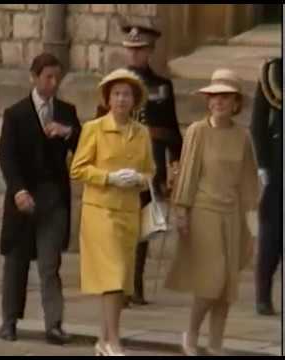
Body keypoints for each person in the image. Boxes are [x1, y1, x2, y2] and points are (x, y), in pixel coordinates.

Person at [164, 69, 259, 356]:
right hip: (203, 212)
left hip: (232, 215)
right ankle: (191, 333)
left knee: (227, 285)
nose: (218, 101)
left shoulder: (242, 137)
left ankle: (216, 343)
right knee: (210, 281)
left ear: (235, 102)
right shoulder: (197, 131)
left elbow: (249, 184)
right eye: (214, 96)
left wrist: (253, 228)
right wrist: (181, 210)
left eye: (225, 96)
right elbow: (189, 173)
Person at [0, 53, 81, 345]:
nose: (53, 82)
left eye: (57, 77)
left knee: (50, 263)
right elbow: (6, 156)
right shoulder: (16, 113)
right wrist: (18, 190)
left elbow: (84, 144)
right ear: (34, 77)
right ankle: (9, 320)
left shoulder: (67, 112)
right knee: (16, 261)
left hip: (53, 198)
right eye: (48, 76)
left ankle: (54, 323)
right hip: (24, 197)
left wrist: (67, 132)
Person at [71, 68, 155, 356]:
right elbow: (78, 169)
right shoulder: (93, 128)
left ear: (134, 100)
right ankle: (114, 340)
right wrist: (109, 177)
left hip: (128, 213)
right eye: (117, 94)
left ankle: (102, 340)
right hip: (100, 212)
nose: (121, 99)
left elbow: (150, 171)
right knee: (114, 275)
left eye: (127, 94)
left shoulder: (142, 133)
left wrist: (138, 179)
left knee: (119, 281)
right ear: (108, 99)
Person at [119, 22, 182, 306]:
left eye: (139, 50)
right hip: (119, 165)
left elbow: (170, 129)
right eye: (130, 50)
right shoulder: (114, 85)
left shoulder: (161, 86)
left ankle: (136, 285)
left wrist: (175, 163)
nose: (134, 55)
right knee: (121, 228)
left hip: (149, 165)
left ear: (150, 52)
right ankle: (118, 287)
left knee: (143, 228)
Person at [251, 57, 282, 316]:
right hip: (278, 165)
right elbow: (258, 123)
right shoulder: (274, 71)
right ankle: (263, 296)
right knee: (272, 236)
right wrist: (263, 164)